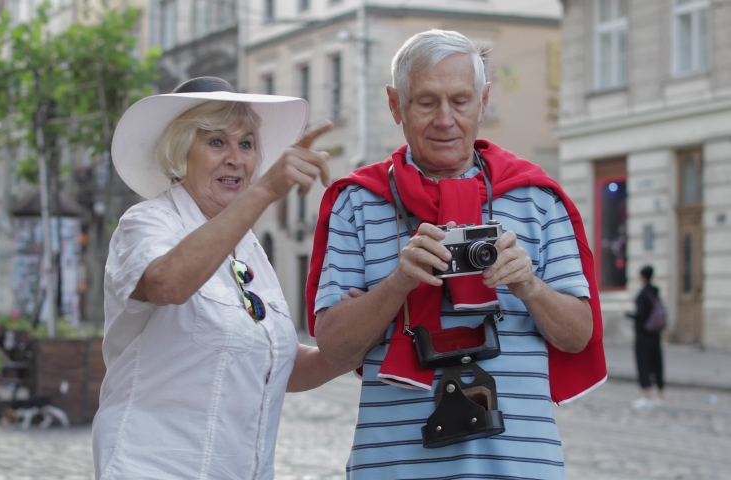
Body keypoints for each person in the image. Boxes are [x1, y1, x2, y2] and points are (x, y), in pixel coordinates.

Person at [306, 30, 607, 478]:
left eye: (461, 101)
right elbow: (333, 345)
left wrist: (529, 286)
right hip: (394, 466)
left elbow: (578, 335)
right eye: (427, 102)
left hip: (519, 466)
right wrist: (398, 283)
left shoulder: (538, 199)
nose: (445, 119)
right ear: (395, 105)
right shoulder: (357, 201)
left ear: (483, 102)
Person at [93, 77, 356, 479]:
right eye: (217, 142)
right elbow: (167, 283)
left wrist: (359, 336)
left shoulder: (248, 248)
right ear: (180, 153)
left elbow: (279, 365)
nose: (236, 158)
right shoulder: (147, 222)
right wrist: (265, 190)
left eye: (247, 143)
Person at [626, 265, 665, 408]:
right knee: (657, 363)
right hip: (655, 334)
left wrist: (629, 314)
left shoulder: (643, 294)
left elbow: (641, 315)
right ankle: (661, 394)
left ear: (642, 276)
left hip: (643, 334)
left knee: (643, 363)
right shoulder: (655, 292)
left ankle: (647, 395)